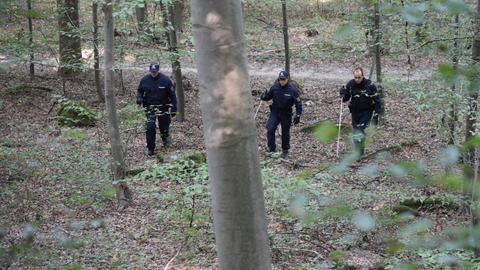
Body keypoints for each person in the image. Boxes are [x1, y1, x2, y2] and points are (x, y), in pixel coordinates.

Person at [136, 63, 177, 156]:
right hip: (150, 108)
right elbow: (139, 91)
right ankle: (150, 148)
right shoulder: (144, 80)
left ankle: (166, 141)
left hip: (163, 107)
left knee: (164, 127)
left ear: (158, 70)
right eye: (152, 72)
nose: (153, 73)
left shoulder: (166, 80)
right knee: (150, 127)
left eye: (155, 72)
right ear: (149, 70)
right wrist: (139, 98)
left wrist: (174, 108)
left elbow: (172, 95)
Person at [339, 67, 381, 156]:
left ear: (363, 76)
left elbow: (377, 100)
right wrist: (342, 93)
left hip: (367, 111)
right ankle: (357, 149)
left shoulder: (370, 85)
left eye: (359, 77)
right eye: (355, 77)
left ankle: (359, 152)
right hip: (355, 111)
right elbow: (345, 98)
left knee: (360, 129)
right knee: (356, 131)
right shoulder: (350, 84)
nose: (357, 79)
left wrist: (376, 114)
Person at [261, 70, 302, 158]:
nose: (282, 81)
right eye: (280, 79)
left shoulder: (292, 90)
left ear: (287, 79)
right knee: (270, 128)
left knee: (285, 132)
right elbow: (268, 97)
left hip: (286, 113)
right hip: (275, 112)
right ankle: (271, 149)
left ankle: (285, 150)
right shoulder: (275, 87)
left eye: (284, 79)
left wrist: (298, 115)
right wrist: (263, 96)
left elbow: (298, 103)